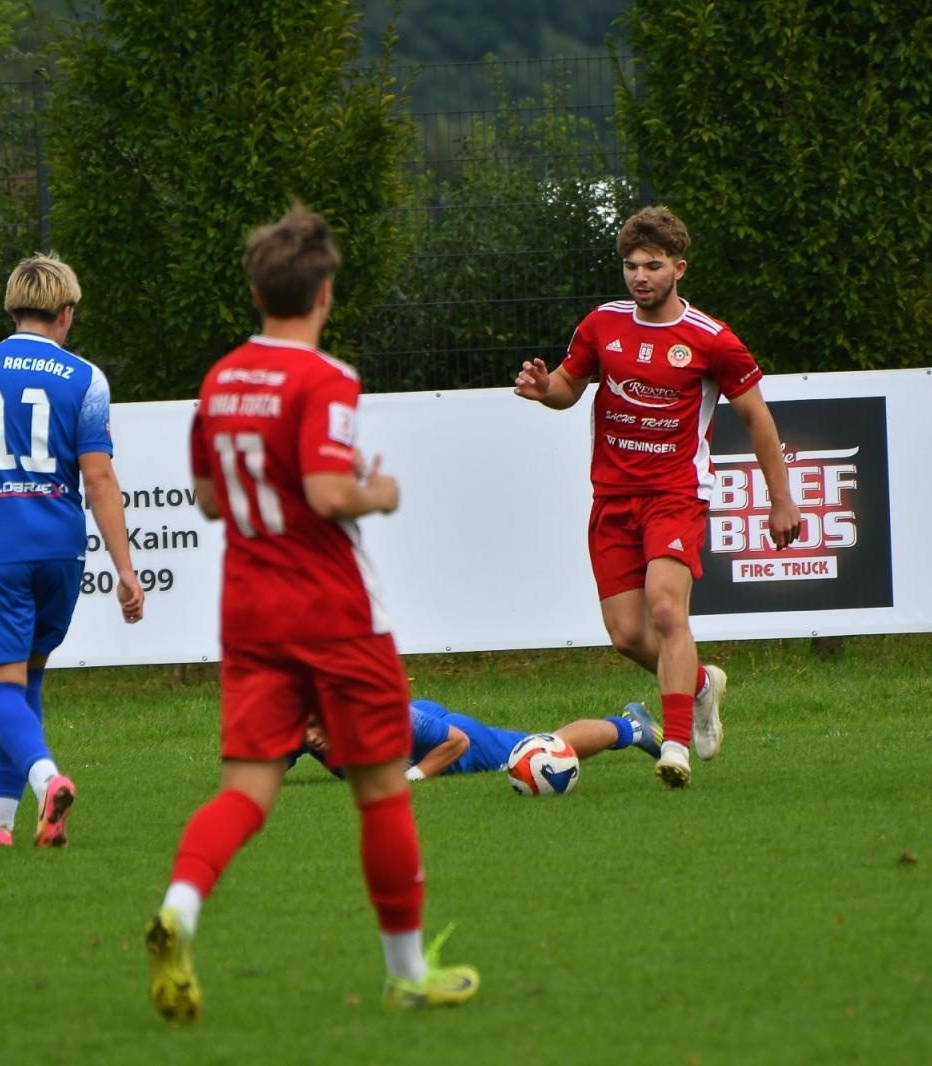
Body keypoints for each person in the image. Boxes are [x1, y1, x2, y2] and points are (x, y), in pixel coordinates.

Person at [146, 203, 478, 1025]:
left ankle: (178, 911)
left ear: (257, 293)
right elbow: (332, 493)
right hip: (333, 612)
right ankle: (405, 974)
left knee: (248, 791)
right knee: (380, 793)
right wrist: (382, 493)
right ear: (323, 293)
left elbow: (209, 500)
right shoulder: (326, 380)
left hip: (250, 610)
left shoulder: (222, 378)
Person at [513, 205, 800, 789]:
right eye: (630, 266)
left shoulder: (712, 340)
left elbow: (759, 419)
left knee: (668, 610)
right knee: (625, 634)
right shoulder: (601, 325)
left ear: (679, 268)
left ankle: (674, 745)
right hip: (612, 498)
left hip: (675, 493)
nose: (640, 276)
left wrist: (781, 499)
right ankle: (699, 685)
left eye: (653, 265)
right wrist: (546, 391)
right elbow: (570, 387)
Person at [0, 253, 145, 847]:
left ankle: (48, 780)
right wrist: (125, 569)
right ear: (66, 313)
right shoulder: (85, 378)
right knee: (27, 679)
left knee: (0, 683)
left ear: (11, 307)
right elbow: (99, 479)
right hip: (60, 549)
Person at [295, 699, 662, 779]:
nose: (313, 738)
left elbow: (456, 743)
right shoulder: (297, 730)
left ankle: (633, 728)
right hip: (425, 723)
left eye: (317, 724)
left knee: (539, 751)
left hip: (457, 740)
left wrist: (413, 777)